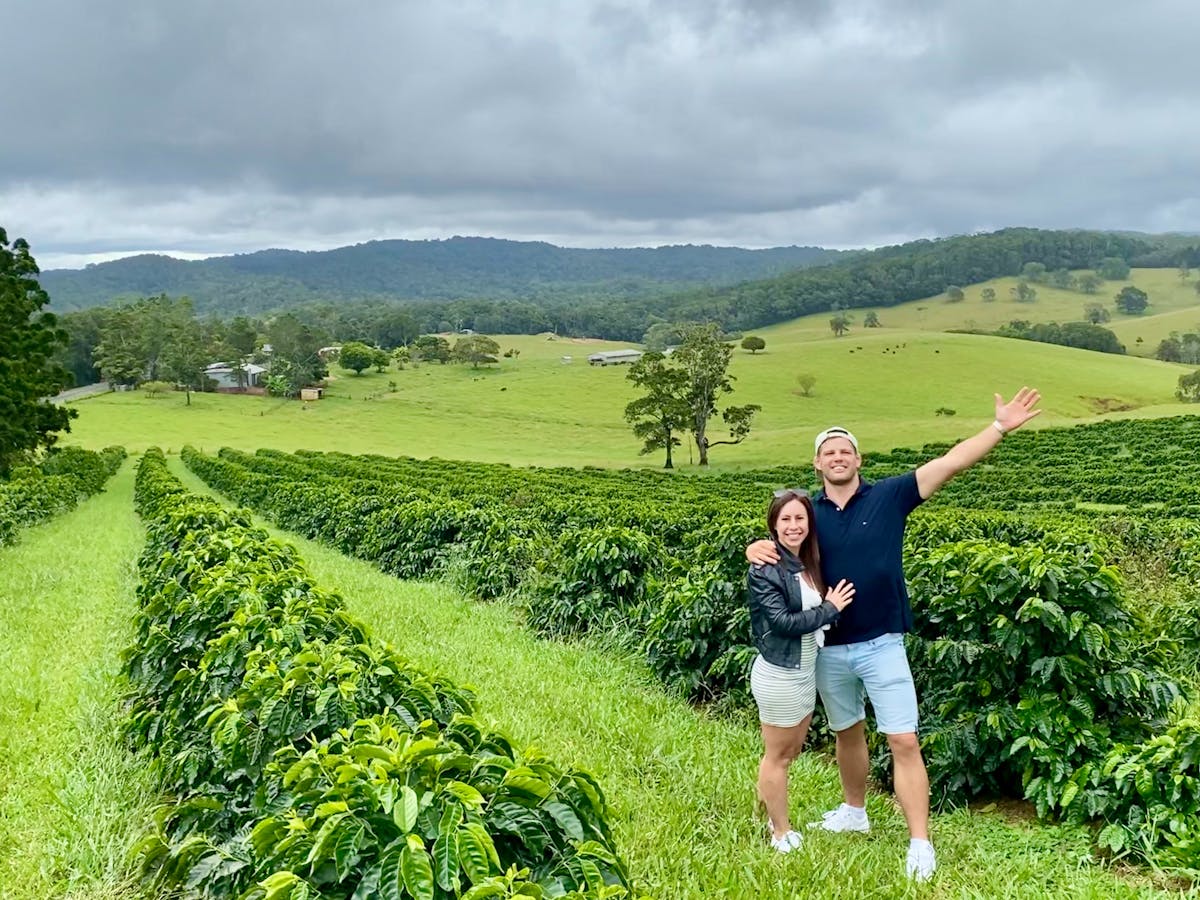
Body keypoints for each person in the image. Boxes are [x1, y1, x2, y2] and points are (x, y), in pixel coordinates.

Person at [746, 388, 1042, 880]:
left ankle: (920, 842)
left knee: (903, 739)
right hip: (829, 647)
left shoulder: (889, 495)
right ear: (817, 464)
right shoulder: (808, 512)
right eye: (828, 452)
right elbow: (778, 536)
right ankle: (854, 812)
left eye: (846, 450)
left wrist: (998, 428)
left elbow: (949, 464)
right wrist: (754, 546)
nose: (838, 457)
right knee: (847, 732)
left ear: (858, 459)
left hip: (883, 640)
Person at [747, 488, 855, 853]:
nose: (793, 526)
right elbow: (781, 622)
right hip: (781, 673)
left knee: (787, 753)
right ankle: (780, 832)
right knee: (777, 755)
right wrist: (829, 608)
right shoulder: (767, 567)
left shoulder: (805, 561)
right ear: (773, 526)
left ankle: (766, 812)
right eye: (785, 519)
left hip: (804, 669)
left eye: (800, 519)